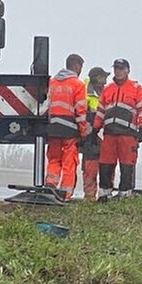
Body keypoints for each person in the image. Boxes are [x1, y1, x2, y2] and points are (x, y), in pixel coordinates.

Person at [98, 58, 142, 199]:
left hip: (128, 134)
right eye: (116, 68)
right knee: (105, 164)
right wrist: (95, 128)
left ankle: (125, 194)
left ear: (127, 70)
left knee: (127, 164)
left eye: (121, 68)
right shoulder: (107, 89)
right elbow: (100, 110)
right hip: (109, 133)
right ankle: (104, 194)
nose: (118, 71)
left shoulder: (136, 88)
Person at [43, 54, 88, 199]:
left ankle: (50, 184)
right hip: (70, 129)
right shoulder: (78, 85)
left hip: (53, 127)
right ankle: (65, 193)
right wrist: (83, 132)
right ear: (77, 66)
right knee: (69, 162)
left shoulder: (53, 82)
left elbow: (48, 104)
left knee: (54, 158)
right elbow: (80, 111)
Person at [79, 65, 108, 201]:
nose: (106, 82)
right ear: (97, 79)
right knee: (90, 166)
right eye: (103, 78)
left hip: (103, 134)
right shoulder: (85, 92)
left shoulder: (106, 92)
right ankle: (89, 196)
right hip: (90, 136)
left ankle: (104, 195)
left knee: (107, 166)